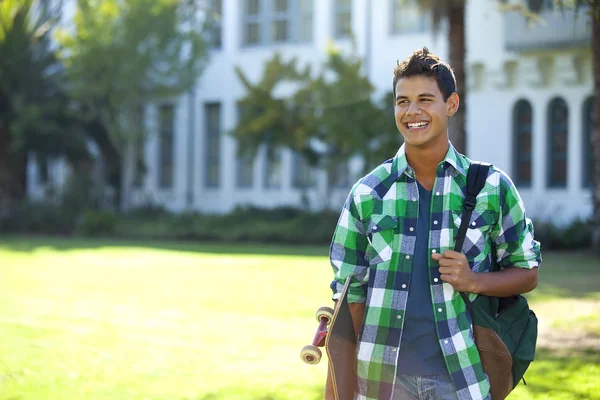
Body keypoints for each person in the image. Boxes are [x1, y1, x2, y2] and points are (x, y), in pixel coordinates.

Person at [326, 47, 542, 400]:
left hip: (462, 379)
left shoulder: (491, 187)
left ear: (451, 104)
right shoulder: (368, 193)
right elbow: (348, 305)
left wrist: (474, 280)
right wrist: (335, 393)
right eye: (402, 101)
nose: (412, 111)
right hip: (383, 384)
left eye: (425, 99)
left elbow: (527, 273)